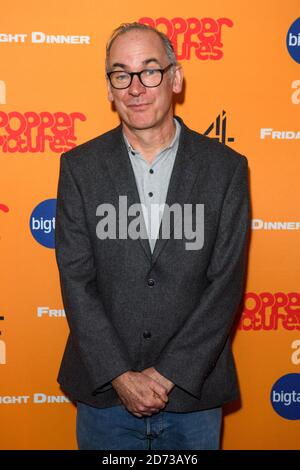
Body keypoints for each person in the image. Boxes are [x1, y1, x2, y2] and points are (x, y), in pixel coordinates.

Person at [55, 22, 250, 451]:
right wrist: (122, 376)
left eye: (150, 71)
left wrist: (166, 375)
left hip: (193, 394)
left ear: (175, 77)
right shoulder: (79, 167)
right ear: (109, 88)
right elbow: (76, 281)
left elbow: (226, 284)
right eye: (121, 74)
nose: (135, 87)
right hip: (104, 395)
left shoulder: (226, 169)